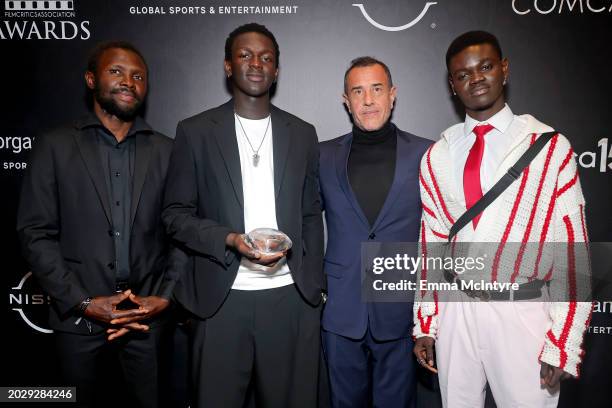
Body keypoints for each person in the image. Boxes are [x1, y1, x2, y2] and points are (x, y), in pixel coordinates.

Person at [412, 31, 592, 407]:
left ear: (504, 70)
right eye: (463, 74)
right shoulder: (437, 156)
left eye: (486, 67)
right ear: (452, 84)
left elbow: (572, 250)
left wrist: (563, 341)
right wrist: (427, 321)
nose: (475, 79)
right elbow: (432, 244)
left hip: (521, 311)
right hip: (456, 310)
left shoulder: (548, 147)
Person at [162, 23, 324, 408]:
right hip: (221, 299)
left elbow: (310, 213)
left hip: (290, 299)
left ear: (277, 71)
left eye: (266, 57)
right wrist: (229, 239)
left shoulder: (302, 133)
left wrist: (313, 285)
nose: (256, 64)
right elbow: (175, 215)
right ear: (228, 66)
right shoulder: (196, 131)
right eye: (245, 55)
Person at [17, 41, 184, 407]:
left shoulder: (169, 151)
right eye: (117, 71)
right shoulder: (55, 146)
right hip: (78, 322)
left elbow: (182, 233)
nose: (129, 81)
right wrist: (83, 302)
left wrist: (164, 296)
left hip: (146, 322)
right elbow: (35, 233)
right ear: (91, 79)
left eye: (138, 76)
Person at [318, 57, 432, 407]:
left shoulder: (427, 153)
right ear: (345, 99)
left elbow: (441, 233)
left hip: (399, 311)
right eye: (358, 91)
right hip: (341, 309)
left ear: (393, 94)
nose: (368, 100)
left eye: (377, 89)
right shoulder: (322, 155)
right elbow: (303, 223)